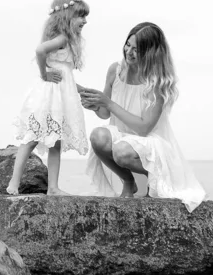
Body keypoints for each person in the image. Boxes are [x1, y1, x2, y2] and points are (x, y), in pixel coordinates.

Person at [80, 22, 206, 212]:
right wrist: (94, 105)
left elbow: (143, 128)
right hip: (121, 137)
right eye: (127, 45)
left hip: (150, 145)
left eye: (136, 50)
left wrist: (108, 103)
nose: (129, 52)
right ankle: (129, 181)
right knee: (98, 136)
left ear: (150, 53)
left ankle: (155, 180)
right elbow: (105, 113)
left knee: (121, 151)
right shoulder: (115, 70)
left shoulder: (156, 82)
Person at [8, 0, 90, 196]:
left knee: (55, 141)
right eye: (80, 16)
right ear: (66, 17)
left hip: (61, 96)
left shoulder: (68, 41)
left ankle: (53, 187)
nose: (85, 21)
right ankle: (14, 183)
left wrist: (81, 90)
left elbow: (66, 77)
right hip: (50, 97)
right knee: (32, 137)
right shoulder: (62, 39)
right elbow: (40, 50)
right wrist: (45, 74)